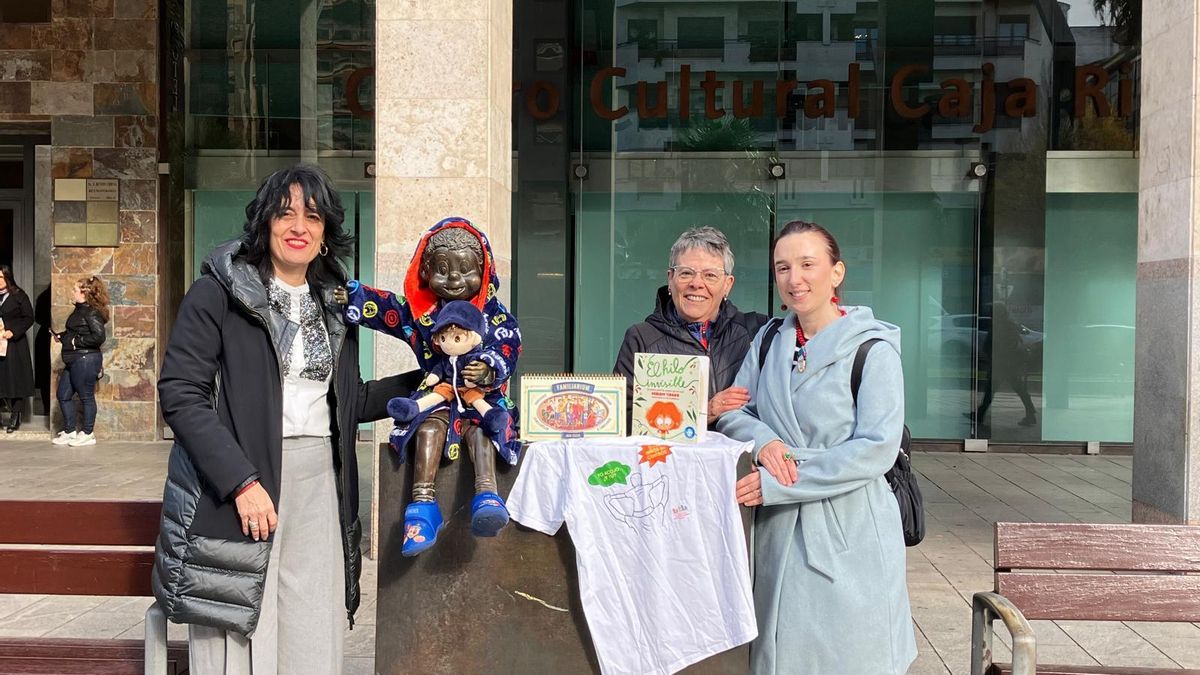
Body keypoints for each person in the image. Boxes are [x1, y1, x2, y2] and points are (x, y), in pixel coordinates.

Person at [151, 164, 422, 674]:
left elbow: (350, 400)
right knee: (239, 624)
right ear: (265, 222)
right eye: (285, 213)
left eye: (313, 217)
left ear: (326, 232)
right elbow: (181, 394)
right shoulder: (218, 292)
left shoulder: (335, 304)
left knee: (312, 620)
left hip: (319, 481)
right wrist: (240, 482)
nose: (299, 226)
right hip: (239, 481)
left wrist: (430, 381)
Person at [717, 220, 916, 674]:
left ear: (836, 272)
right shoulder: (769, 339)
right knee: (780, 652)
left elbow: (876, 448)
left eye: (808, 264)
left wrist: (783, 482)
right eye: (783, 267)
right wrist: (764, 441)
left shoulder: (873, 350)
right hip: (777, 529)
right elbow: (734, 411)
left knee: (849, 655)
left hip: (849, 524)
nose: (795, 279)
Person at [613, 226, 767, 431]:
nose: (696, 283)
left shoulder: (757, 331)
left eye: (710, 275)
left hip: (743, 452)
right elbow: (622, 419)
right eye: (686, 273)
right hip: (670, 453)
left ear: (727, 285)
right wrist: (704, 412)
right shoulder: (641, 338)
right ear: (670, 279)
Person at [52, 275, 108, 446]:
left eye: (75, 290)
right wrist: (63, 336)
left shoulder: (92, 312)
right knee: (63, 395)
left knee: (86, 396)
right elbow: (76, 331)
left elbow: (99, 336)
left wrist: (76, 342)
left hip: (85, 359)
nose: (72, 292)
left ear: (85, 293)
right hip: (74, 359)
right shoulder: (79, 310)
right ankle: (70, 431)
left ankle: (88, 433)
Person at [0, 265, 35, 433]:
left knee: (15, 380)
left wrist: (13, 331)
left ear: (7, 278)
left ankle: (15, 416)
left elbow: (29, 318)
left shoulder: (19, 296)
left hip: (14, 345)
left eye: (0, 277)